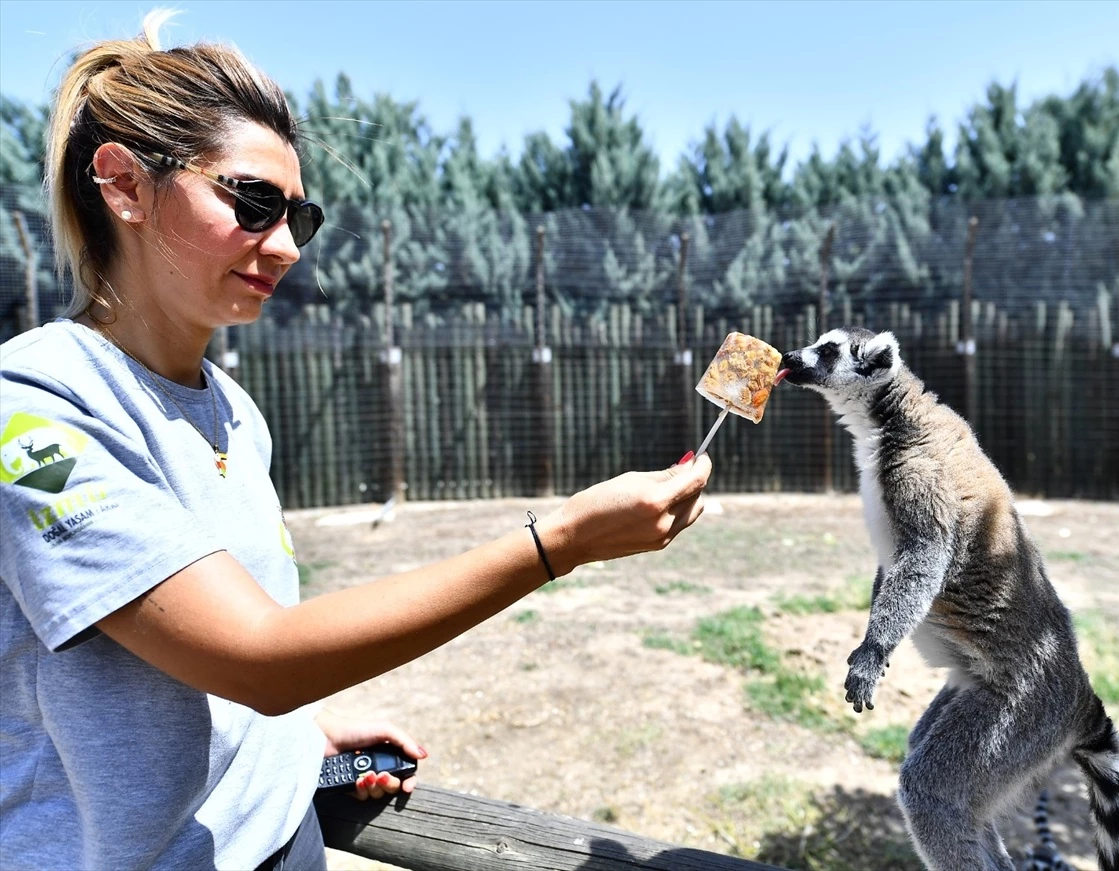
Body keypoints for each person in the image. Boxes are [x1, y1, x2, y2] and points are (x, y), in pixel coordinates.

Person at [0, 11, 712, 870]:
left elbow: (213, 666)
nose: (287, 245)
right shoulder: (34, 407)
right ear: (124, 186)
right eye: (253, 201)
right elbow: (258, 656)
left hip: (286, 839)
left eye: (302, 215)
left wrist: (300, 733)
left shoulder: (232, 409)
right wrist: (557, 544)